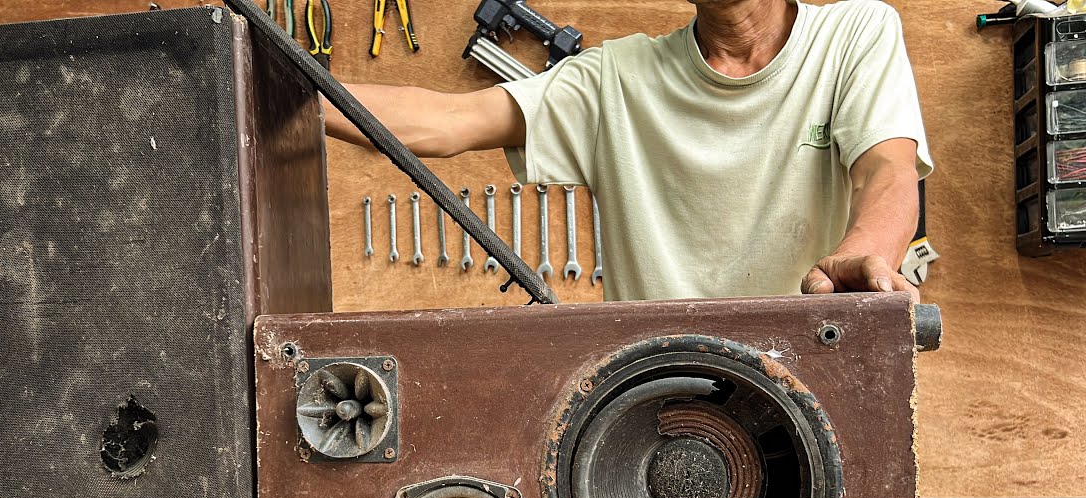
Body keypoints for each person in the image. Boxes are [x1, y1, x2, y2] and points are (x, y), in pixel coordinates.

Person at [324, 0, 931, 302]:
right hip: (649, 403)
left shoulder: (856, 34)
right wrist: (271, 81)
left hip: (808, 379)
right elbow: (447, 120)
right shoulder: (613, 78)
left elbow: (886, 167)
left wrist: (866, 256)